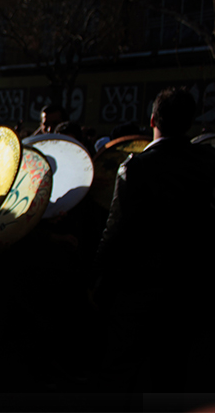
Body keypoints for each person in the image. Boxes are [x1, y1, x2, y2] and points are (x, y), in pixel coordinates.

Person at [93, 87, 215, 391]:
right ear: (190, 122)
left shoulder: (135, 168)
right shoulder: (208, 161)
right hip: (193, 286)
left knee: (119, 370)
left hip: (140, 287)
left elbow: (115, 232)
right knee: (173, 370)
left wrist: (96, 277)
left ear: (152, 120)